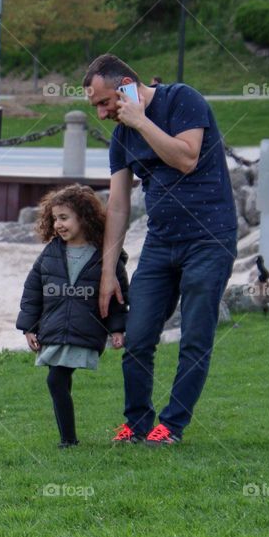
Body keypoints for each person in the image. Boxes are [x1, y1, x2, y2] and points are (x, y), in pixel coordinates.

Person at [83, 54, 238, 446]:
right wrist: (107, 272)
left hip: (209, 239)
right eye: (95, 106)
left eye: (104, 103)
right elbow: (118, 205)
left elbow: (186, 158)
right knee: (137, 337)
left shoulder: (182, 100)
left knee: (195, 336)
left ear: (126, 87)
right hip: (160, 242)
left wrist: (140, 120)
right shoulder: (121, 137)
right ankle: (136, 424)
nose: (101, 114)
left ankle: (170, 426)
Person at [17, 184, 129, 448]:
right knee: (57, 380)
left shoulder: (106, 257)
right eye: (55, 218)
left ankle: (69, 440)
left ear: (83, 217)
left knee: (57, 379)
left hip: (85, 329)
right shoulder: (50, 253)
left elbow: (118, 296)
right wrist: (28, 327)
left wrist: (116, 329)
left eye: (64, 218)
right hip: (54, 328)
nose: (58, 224)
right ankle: (68, 439)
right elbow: (33, 292)